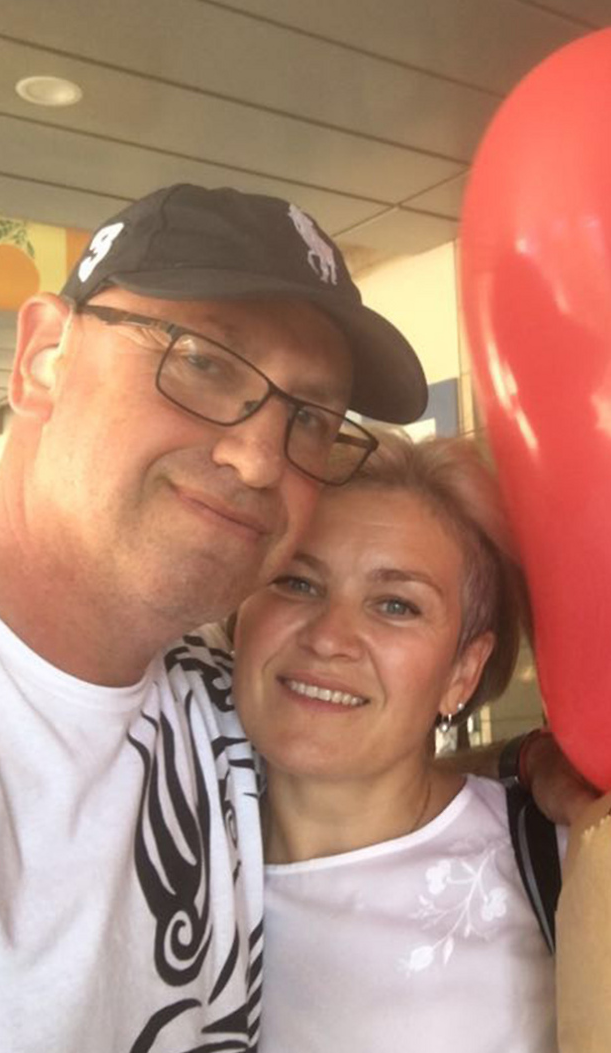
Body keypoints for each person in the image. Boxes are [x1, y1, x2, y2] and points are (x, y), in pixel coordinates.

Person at [0, 183, 611, 1053]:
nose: (256, 457)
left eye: (308, 416)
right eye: (203, 361)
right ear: (42, 355)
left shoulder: (206, 701)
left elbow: (372, 774)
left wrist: (553, 778)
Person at [232, 431, 558, 1051]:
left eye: (395, 606)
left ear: (462, 671)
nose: (329, 637)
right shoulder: (159, 843)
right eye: (297, 582)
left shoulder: (562, 867)